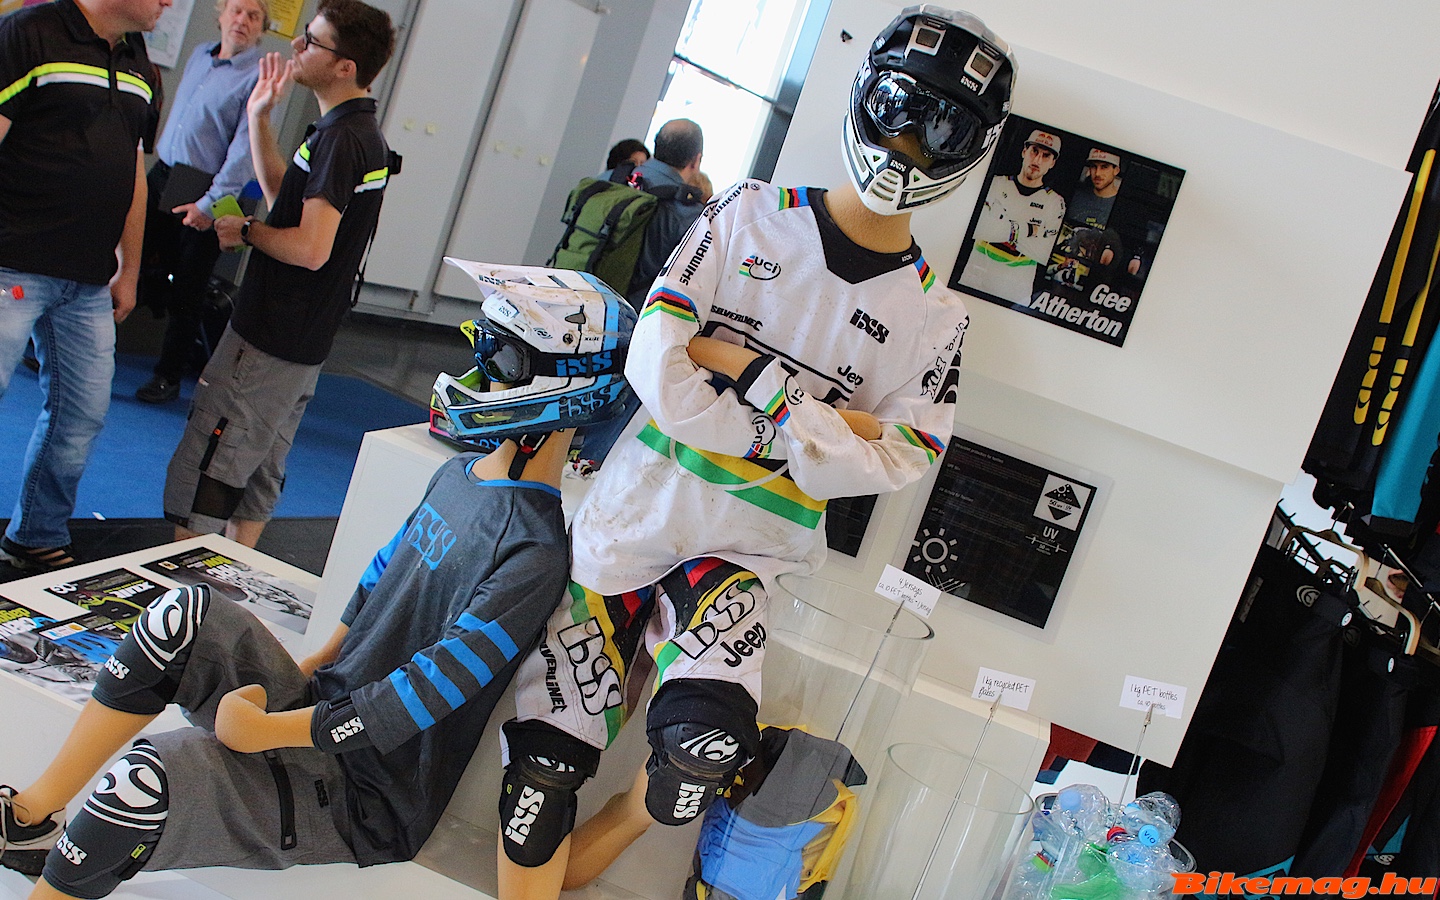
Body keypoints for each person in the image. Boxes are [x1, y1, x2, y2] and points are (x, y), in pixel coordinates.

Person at [494, 7, 1015, 898]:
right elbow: (659, 364)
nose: (906, 149)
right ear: (864, 97)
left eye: (940, 133)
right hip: (634, 520)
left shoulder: (936, 316)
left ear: (972, 149)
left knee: (701, 755)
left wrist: (747, 372)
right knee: (543, 769)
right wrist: (814, 429)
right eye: (898, 112)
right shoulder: (749, 212)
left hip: (749, 556)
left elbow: (901, 460)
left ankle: (639, 806)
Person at [0, 273, 637, 900]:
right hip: (322, 712)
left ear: (568, 388)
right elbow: (382, 576)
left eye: (501, 359)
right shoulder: (460, 476)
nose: (479, 373)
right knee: (181, 613)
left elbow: (427, 692)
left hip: (369, 794)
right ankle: (31, 817)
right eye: (483, 348)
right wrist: (310, 669)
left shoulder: (535, 550)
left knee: (141, 788)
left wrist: (267, 732)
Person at [162, 0, 395, 549]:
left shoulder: (343, 140)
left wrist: (247, 231)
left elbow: (310, 249)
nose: (296, 45)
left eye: (312, 41)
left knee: (214, 460)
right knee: (260, 463)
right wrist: (259, 117)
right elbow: (285, 201)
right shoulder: (347, 132)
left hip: (271, 333)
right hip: (300, 337)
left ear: (344, 67)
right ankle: (230, 579)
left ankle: (184, 581)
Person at [0, 0, 166, 572]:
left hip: (88, 281)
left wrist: (130, 267)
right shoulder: (30, 34)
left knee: (81, 416)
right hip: (11, 266)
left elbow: (133, 174)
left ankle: (35, 535)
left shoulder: (141, 63)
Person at [134, 0, 270, 405]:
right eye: (237, 10)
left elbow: (244, 153)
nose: (242, 20)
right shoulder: (200, 55)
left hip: (207, 187)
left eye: (253, 16)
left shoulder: (257, 75)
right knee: (127, 259)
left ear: (262, 28)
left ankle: (168, 375)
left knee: (188, 289)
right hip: (164, 174)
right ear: (221, 14)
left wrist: (209, 205)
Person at [958, 128, 1066, 305]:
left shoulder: (1054, 202)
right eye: (1034, 151)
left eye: (1046, 156)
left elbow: (1042, 252)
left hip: (1015, 293)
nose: (1037, 160)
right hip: (974, 281)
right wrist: (1029, 230)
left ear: (1052, 163)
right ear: (1024, 152)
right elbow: (979, 228)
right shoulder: (996, 184)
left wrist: (1000, 226)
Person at [615, 118, 705, 305]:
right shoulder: (688, 213)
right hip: (630, 313)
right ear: (696, 161)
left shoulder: (612, 179)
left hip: (577, 294)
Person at [1044, 148, 1125, 291]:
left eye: (1104, 167)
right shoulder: (1075, 196)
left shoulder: (1122, 208)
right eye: (1093, 166)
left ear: (1116, 170)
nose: (1097, 173)